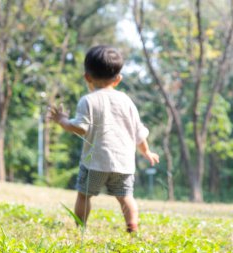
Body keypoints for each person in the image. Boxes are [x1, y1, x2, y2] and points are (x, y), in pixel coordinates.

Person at [49, 45, 159, 233]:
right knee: (126, 197)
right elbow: (138, 132)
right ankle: (132, 227)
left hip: (95, 164)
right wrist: (146, 151)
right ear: (118, 79)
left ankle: (80, 228)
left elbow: (80, 128)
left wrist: (62, 121)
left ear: (87, 77)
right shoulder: (126, 101)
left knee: (84, 196)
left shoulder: (87, 101)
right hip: (123, 164)